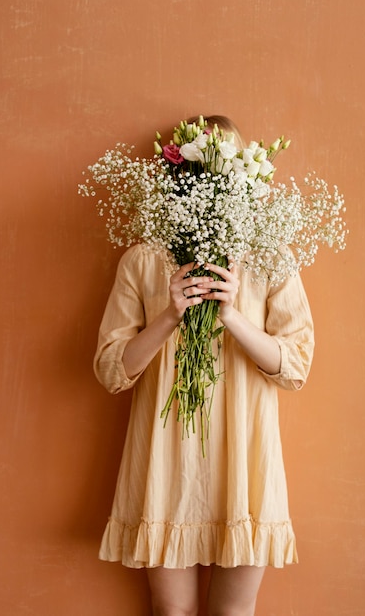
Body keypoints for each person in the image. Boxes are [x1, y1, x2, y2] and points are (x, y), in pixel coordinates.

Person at [93, 115, 315, 616]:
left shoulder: (270, 257)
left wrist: (232, 315)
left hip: (246, 461)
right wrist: (170, 315)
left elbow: (295, 366)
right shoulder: (144, 260)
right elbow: (111, 370)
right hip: (167, 463)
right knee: (172, 613)